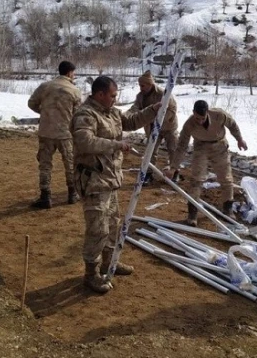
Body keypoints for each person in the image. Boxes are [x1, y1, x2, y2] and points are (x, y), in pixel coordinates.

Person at [71, 76, 162, 293]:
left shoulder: (111, 111)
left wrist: (154, 109)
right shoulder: (86, 114)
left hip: (110, 179)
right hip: (93, 181)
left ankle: (109, 262)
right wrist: (116, 145)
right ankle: (91, 274)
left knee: (113, 224)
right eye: (112, 95)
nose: (115, 98)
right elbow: (84, 141)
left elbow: (130, 121)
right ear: (100, 94)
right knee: (97, 229)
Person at [166, 100, 248, 226]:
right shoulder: (189, 124)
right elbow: (182, 146)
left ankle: (228, 209)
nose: (199, 121)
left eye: (202, 118)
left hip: (219, 145)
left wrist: (240, 139)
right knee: (196, 179)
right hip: (200, 147)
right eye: (197, 118)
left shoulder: (219, 115)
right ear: (193, 113)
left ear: (207, 113)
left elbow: (232, 125)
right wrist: (173, 167)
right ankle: (192, 214)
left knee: (226, 179)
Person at [27, 60, 82, 209]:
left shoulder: (45, 87)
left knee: (45, 165)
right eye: (74, 73)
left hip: (46, 132)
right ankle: (72, 194)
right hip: (66, 133)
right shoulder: (74, 90)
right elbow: (78, 114)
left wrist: (45, 113)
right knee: (70, 164)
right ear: (70, 73)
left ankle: (45, 196)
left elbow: (31, 103)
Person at [127, 71, 178, 184]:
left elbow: (172, 109)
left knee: (173, 149)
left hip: (168, 126)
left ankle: (174, 172)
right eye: (139, 85)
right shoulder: (140, 96)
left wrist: (157, 120)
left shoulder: (163, 94)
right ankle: (148, 174)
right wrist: (128, 115)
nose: (140, 88)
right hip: (152, 128)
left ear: (150, 84)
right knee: (150, 150)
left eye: (143, 85)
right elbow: (136, 107)